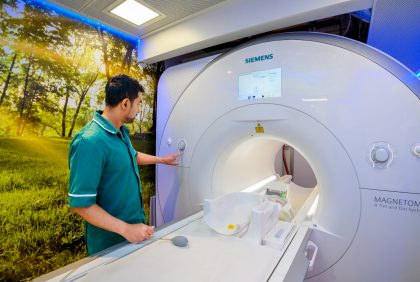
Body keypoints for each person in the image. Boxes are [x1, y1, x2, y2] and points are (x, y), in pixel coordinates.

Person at [68, 74, 179, 255]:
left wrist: (161, 160)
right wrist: (127, 229)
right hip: (109, 243)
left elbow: (131, 156)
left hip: (132, 232)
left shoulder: (120, 131)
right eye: (139, 103)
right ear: (125, 103)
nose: (140, 109)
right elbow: (81, 205)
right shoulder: (89, 142)